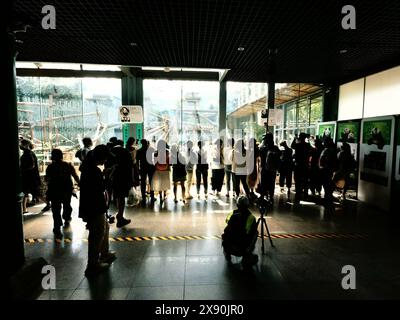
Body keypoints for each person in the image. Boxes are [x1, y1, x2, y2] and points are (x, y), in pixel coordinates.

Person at [79, 145, 116, 276]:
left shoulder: (87, 168)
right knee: (96, 234)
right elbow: (100, 188)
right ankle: (92, 265)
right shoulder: (94, 171)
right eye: (105, 158)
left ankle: (104, 254)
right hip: (94, 206)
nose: (106, 161)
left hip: (91, 206)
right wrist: (108, 176)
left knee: (103, 228)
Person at [45, 149, 80, 238]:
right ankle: (66, 217)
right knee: (67, 204)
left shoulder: (50, 167)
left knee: (56, 209)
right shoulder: (68, 165)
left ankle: (57, 226)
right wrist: (80, 183)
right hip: (66, 189)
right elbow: (75, 175)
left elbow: (47, 179)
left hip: (54, 190)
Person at [221, 196, 258, 267]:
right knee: (255, 233)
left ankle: (227, 253)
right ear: (248, 205)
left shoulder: (232, 214)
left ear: (237, 205)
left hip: (229, 246)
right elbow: (249, 232)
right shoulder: (251, 217)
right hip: (242, 248)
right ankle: (247, 255)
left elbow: (227, 222)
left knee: (226, 231)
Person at [109, 140, 132, 228]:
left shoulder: (111, 152)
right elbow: (130, 166)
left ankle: (116, 216)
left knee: (115, 197)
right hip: (124, 178)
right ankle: (120, 217)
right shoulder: (125, 151)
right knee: (121, 198)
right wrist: (132, 180)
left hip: (113, 178)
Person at [20, 139, 41, 213]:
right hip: (30, 176)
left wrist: (23, 170)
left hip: (30, 176)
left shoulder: (28, 153)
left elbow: (32, 165)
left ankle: (48, 203)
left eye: (21, 144)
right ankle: (24, 209)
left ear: (26, 145)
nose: (20, 145)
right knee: (28, 192)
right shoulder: (29, 153)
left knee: (33, 192)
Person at [259, 133, 280, 202]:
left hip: (265, 169)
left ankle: (263, 195)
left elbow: (259, 155)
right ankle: (271, 196)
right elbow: (279, 155)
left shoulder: (263, 148)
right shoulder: (275, 148)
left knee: (264, 182)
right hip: (273, 169)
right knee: (271, 183)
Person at [292, 132, 311, 203]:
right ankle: (305, 193)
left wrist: (295, 138)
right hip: (305, 165)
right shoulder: (307, 145)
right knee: (305, 180)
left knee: (297, 180)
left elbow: (292, 145)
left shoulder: (298, 145)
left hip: (298, 164)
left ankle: (298, 193)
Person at [136, 139, 156, 206]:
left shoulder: (139, 151)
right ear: (147, 143)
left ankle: (143, 197)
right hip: (150, 167)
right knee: (151, 182)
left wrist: (138, 169)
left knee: (143, 183)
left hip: (143, 168)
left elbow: (137, 161)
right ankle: (152, 197)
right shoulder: (151, 150)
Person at [319, 138, 338, 205]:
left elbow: (324, 159)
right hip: (329, 169)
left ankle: (327, 196)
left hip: (326, 169)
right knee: (328, 182)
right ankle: (328, 195)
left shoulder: (327, 150)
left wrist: (322, 166)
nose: (323, 143)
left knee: (326, 183)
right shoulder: (332, 150)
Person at [152, 139, 171, 204]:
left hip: (158, 170)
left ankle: (160, 196)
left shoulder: (155, 153)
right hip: (165, 170)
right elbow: (169, 161)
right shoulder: (167, 152)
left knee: (160, 183)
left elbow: (154, 162)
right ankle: (164, 195)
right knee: (165, 183)